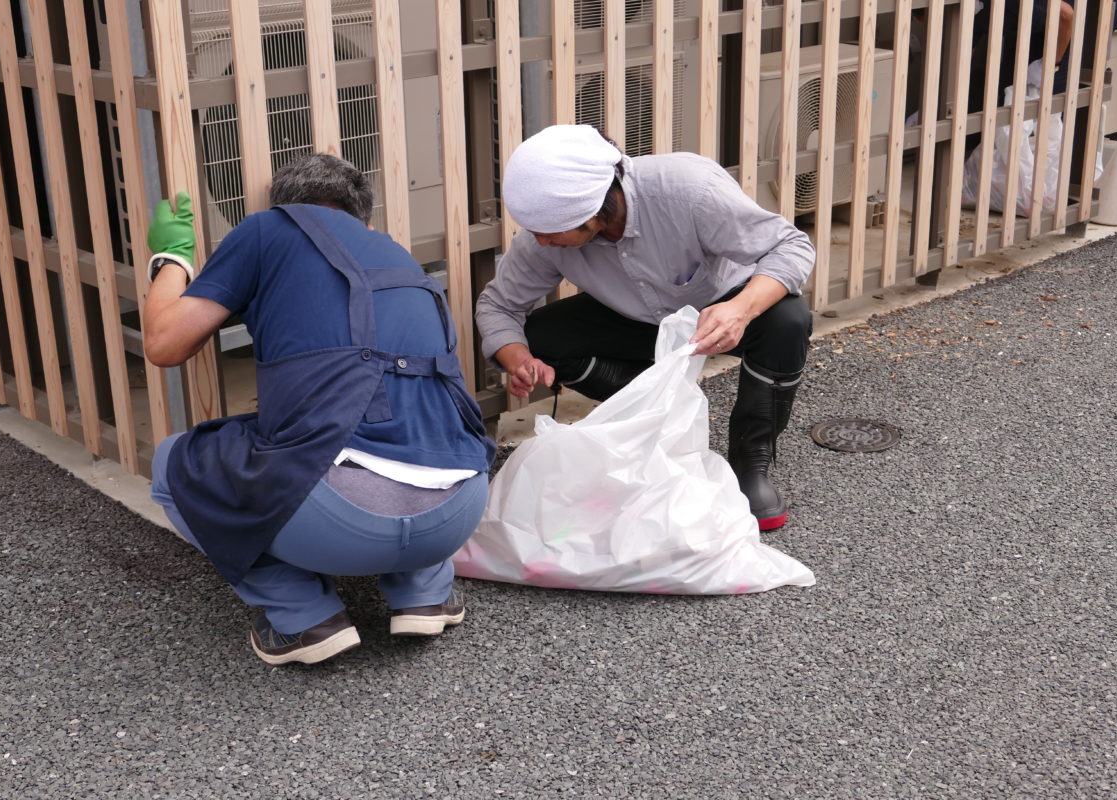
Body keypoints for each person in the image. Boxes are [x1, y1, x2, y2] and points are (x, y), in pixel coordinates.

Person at [144, 154, 496, 666]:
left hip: (340, 525)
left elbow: (164, 344)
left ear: (287, 210)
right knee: (411, 419)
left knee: (173, 460)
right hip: (457, 514)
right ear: (365, 221)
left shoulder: (269, 230)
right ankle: (425, 591)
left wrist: (171, 259)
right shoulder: (402, 259)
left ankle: (303, 617)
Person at [476, 124, 815, 531]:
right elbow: (498, 304)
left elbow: (791, 246)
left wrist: (740, 310)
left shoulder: (688, 188)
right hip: (635, 319)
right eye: (536, 232)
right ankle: (662, 426)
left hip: (721, 309)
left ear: (594, 206)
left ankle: (750, 461)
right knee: (544, 335)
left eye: (551, 232)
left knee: (789, 319)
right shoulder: (543, 240)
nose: (542, 243)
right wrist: (518, 358)